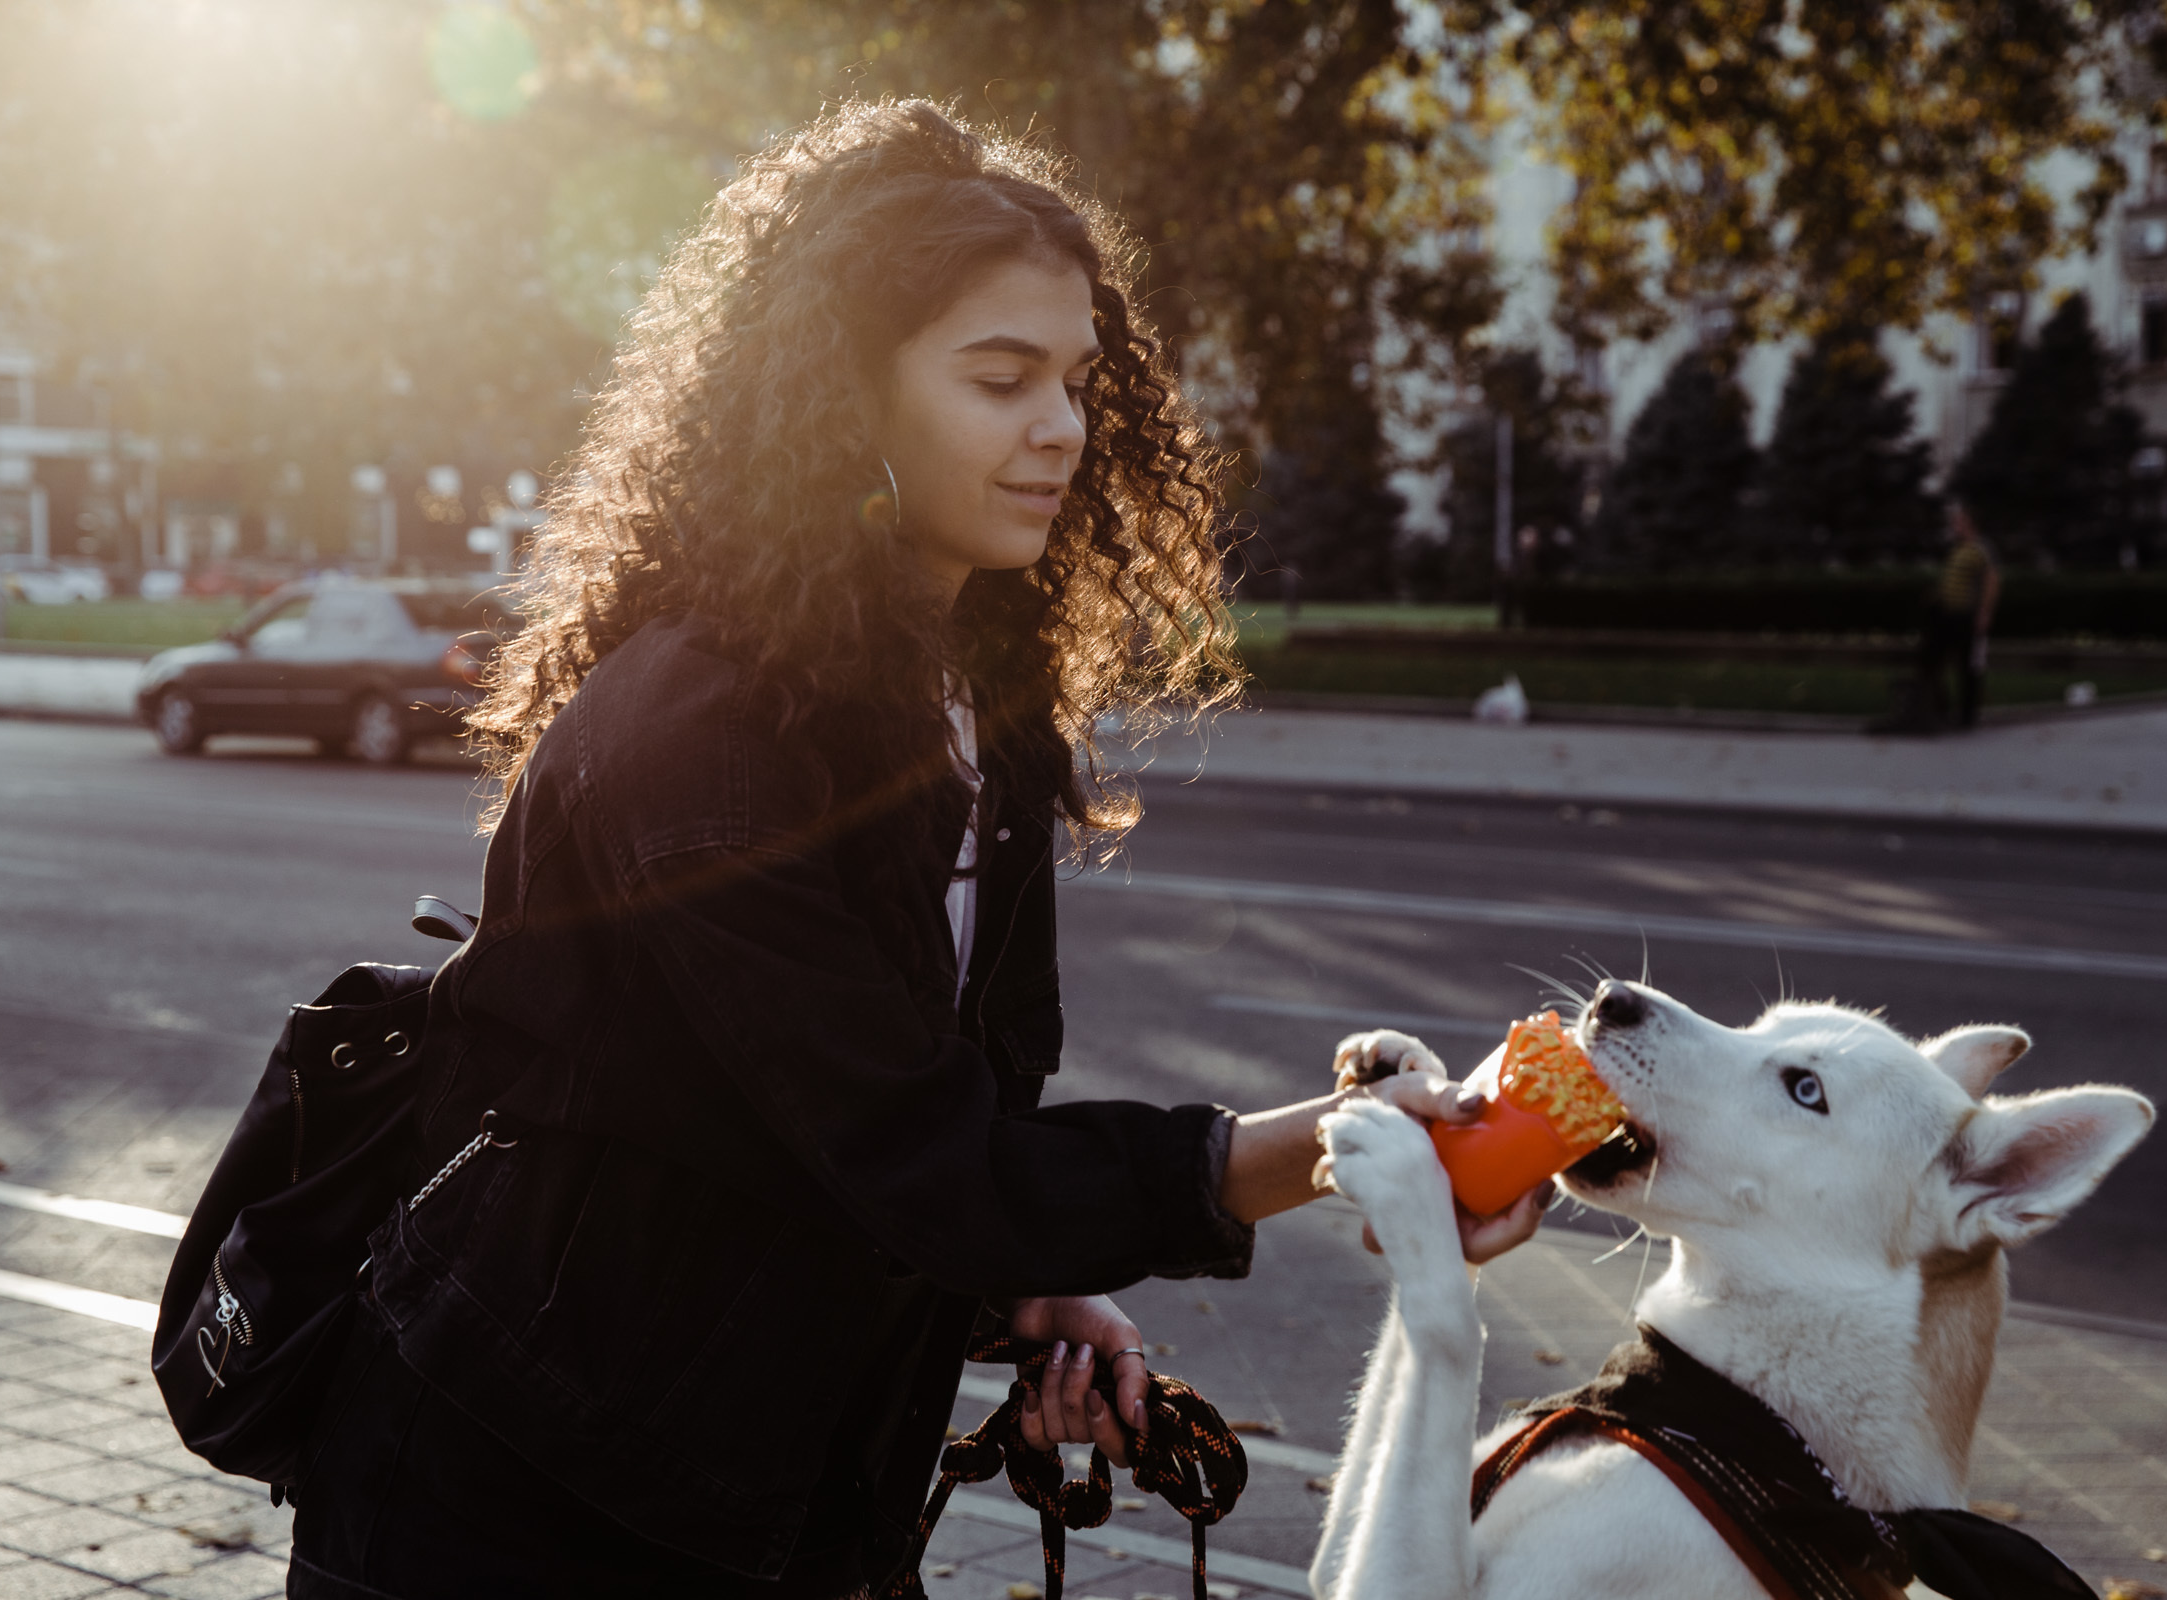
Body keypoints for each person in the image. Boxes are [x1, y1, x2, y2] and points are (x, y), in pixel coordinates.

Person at [284, 100, 1544, 1599]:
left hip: (778, 1487)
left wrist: (1018, 1282)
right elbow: (912, 1150)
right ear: (842, 400)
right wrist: (1347, 1149)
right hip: (517, 1500)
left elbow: (882, 1131)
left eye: (1079, 380)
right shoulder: (705, 730)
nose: (1065, 428)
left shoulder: (972, 701)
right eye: (1001, 378)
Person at [1918, 500, 2001, 729]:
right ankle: (1941, 709)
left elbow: (1991, 581)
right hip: (1946, 615)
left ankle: (1967, 716)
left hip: (1966, 616)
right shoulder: (1958, 549)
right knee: (1932, 661)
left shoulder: (1981, 548)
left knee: (1967, 667)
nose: (1955, 526)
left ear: (1971, 524)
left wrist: (1984, 613)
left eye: (1959, 522)